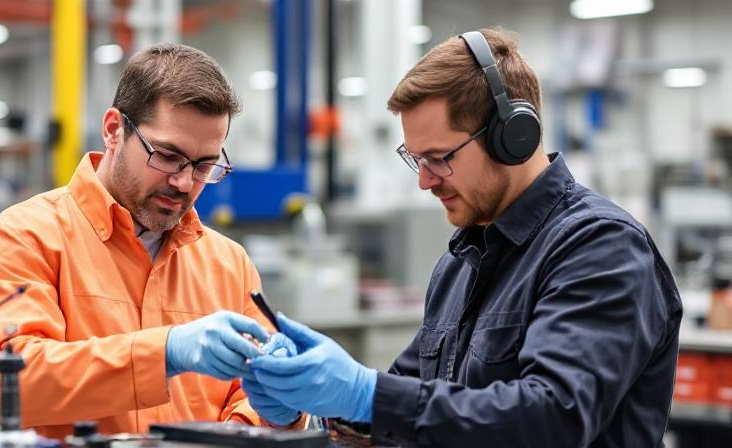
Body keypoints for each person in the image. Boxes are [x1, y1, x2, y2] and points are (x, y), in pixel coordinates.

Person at [248, 28, 683, 447]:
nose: (424, 181)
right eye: (415, 159)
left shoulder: (600, 247)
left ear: (512, 137)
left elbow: (553, 419)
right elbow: (412, 405)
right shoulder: (463, 259)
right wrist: (313, 403)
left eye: (438, 158)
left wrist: (367, 393)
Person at [0, 43, 305, 438]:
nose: (183, 182)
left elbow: (249, 398)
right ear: (113, 130)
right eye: (166, 155)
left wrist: (281, 411)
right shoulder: (23, 237)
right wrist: (163, 353)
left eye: (204, 165)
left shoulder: (229, 263)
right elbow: (13, 385)